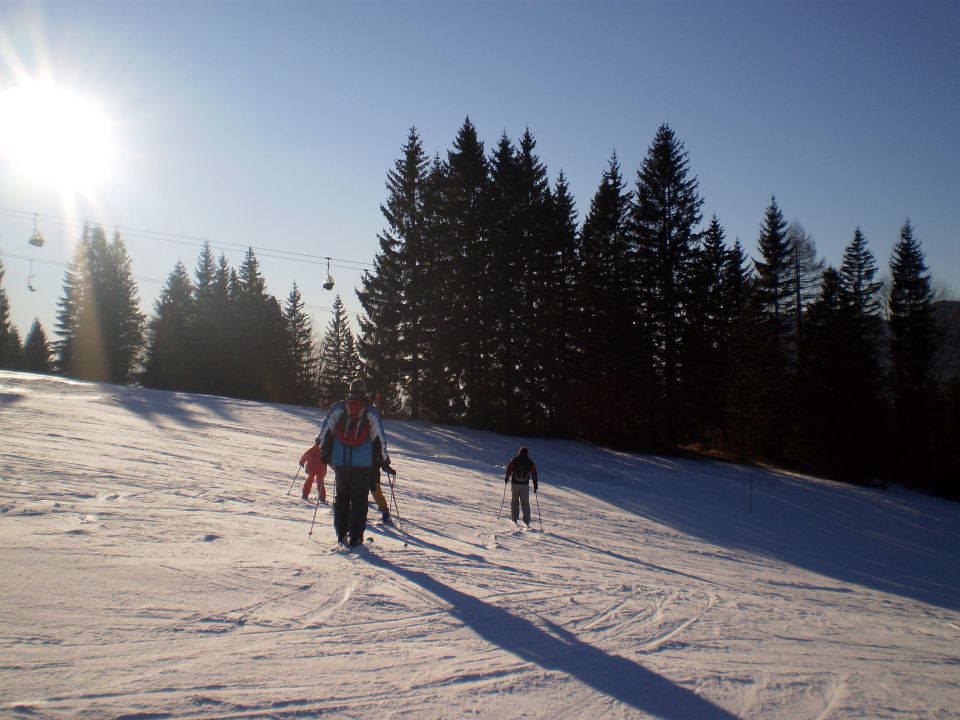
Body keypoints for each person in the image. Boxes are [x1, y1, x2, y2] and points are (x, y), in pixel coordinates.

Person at [318, 379, 394, 546]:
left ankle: (341, 535)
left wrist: (323, 452)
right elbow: (380, 439)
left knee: (341, 497)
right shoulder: (371, 412)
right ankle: (356, 538)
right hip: (363, 463)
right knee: (359, 499)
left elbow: (324, 431)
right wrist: (384, 459)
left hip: (341, 461)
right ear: (364, 392)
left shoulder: (338, 408)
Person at [504, 446, 538, 526]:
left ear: (519, 452)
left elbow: (509, 469)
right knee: (525, 503)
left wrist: (506, 478)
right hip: (525, 485)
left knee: (515, 501)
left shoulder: (515, 460)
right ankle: (526, 521)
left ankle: (514, 519)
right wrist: (535, 484)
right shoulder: (530, 462)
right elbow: (534, 473)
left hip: (515, 484)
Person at [298, 434, 328, 503]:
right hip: (321, 469)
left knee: (309, 480)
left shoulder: (312, 449)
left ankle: (305, 494)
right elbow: (328, 460)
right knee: (320, 483)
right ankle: (322, 497)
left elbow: (305, 456)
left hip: (311, 468)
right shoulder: (324, 451)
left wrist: (302, 462)